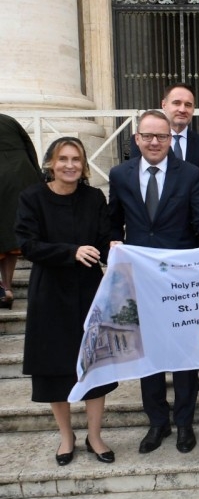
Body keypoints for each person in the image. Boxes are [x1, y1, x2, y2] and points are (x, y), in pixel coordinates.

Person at [109, 110, 199, 454]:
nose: (154, 142)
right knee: (148, 353)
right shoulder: (120, 175)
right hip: (140, 277)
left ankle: (184, 423)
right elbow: (112, 221)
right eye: (148, 136)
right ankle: (156, 422)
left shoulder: (190, 174)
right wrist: (110, 243)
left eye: (161, 136)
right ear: (137, 139)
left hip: (179, 280)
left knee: (182, 353)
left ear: (170, 139)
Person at [16, 137, 117, 465]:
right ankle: (66, 436)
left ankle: (95, 436)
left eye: (76, 159)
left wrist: (115, 248)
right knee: (54, 368)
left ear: (84, 165)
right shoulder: (32, 197)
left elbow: (102, 240)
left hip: (89, 292)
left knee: (94, 365)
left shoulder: (93, 197)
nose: (70, 165)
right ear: (51, 163)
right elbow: (28, 245)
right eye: (63, 159)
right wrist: (70, 252)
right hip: (49, 295)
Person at [0, 113, 41, 308]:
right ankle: (7, 286)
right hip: (20, 177)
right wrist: (37, 177)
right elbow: (30, 149)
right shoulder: (8, 120)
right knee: (11, 237)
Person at [129, 83, 199, 169]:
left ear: (193, 109)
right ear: (164, 105)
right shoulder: (143, 140)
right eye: (176, 103)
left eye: (188, 105)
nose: (182, 110)